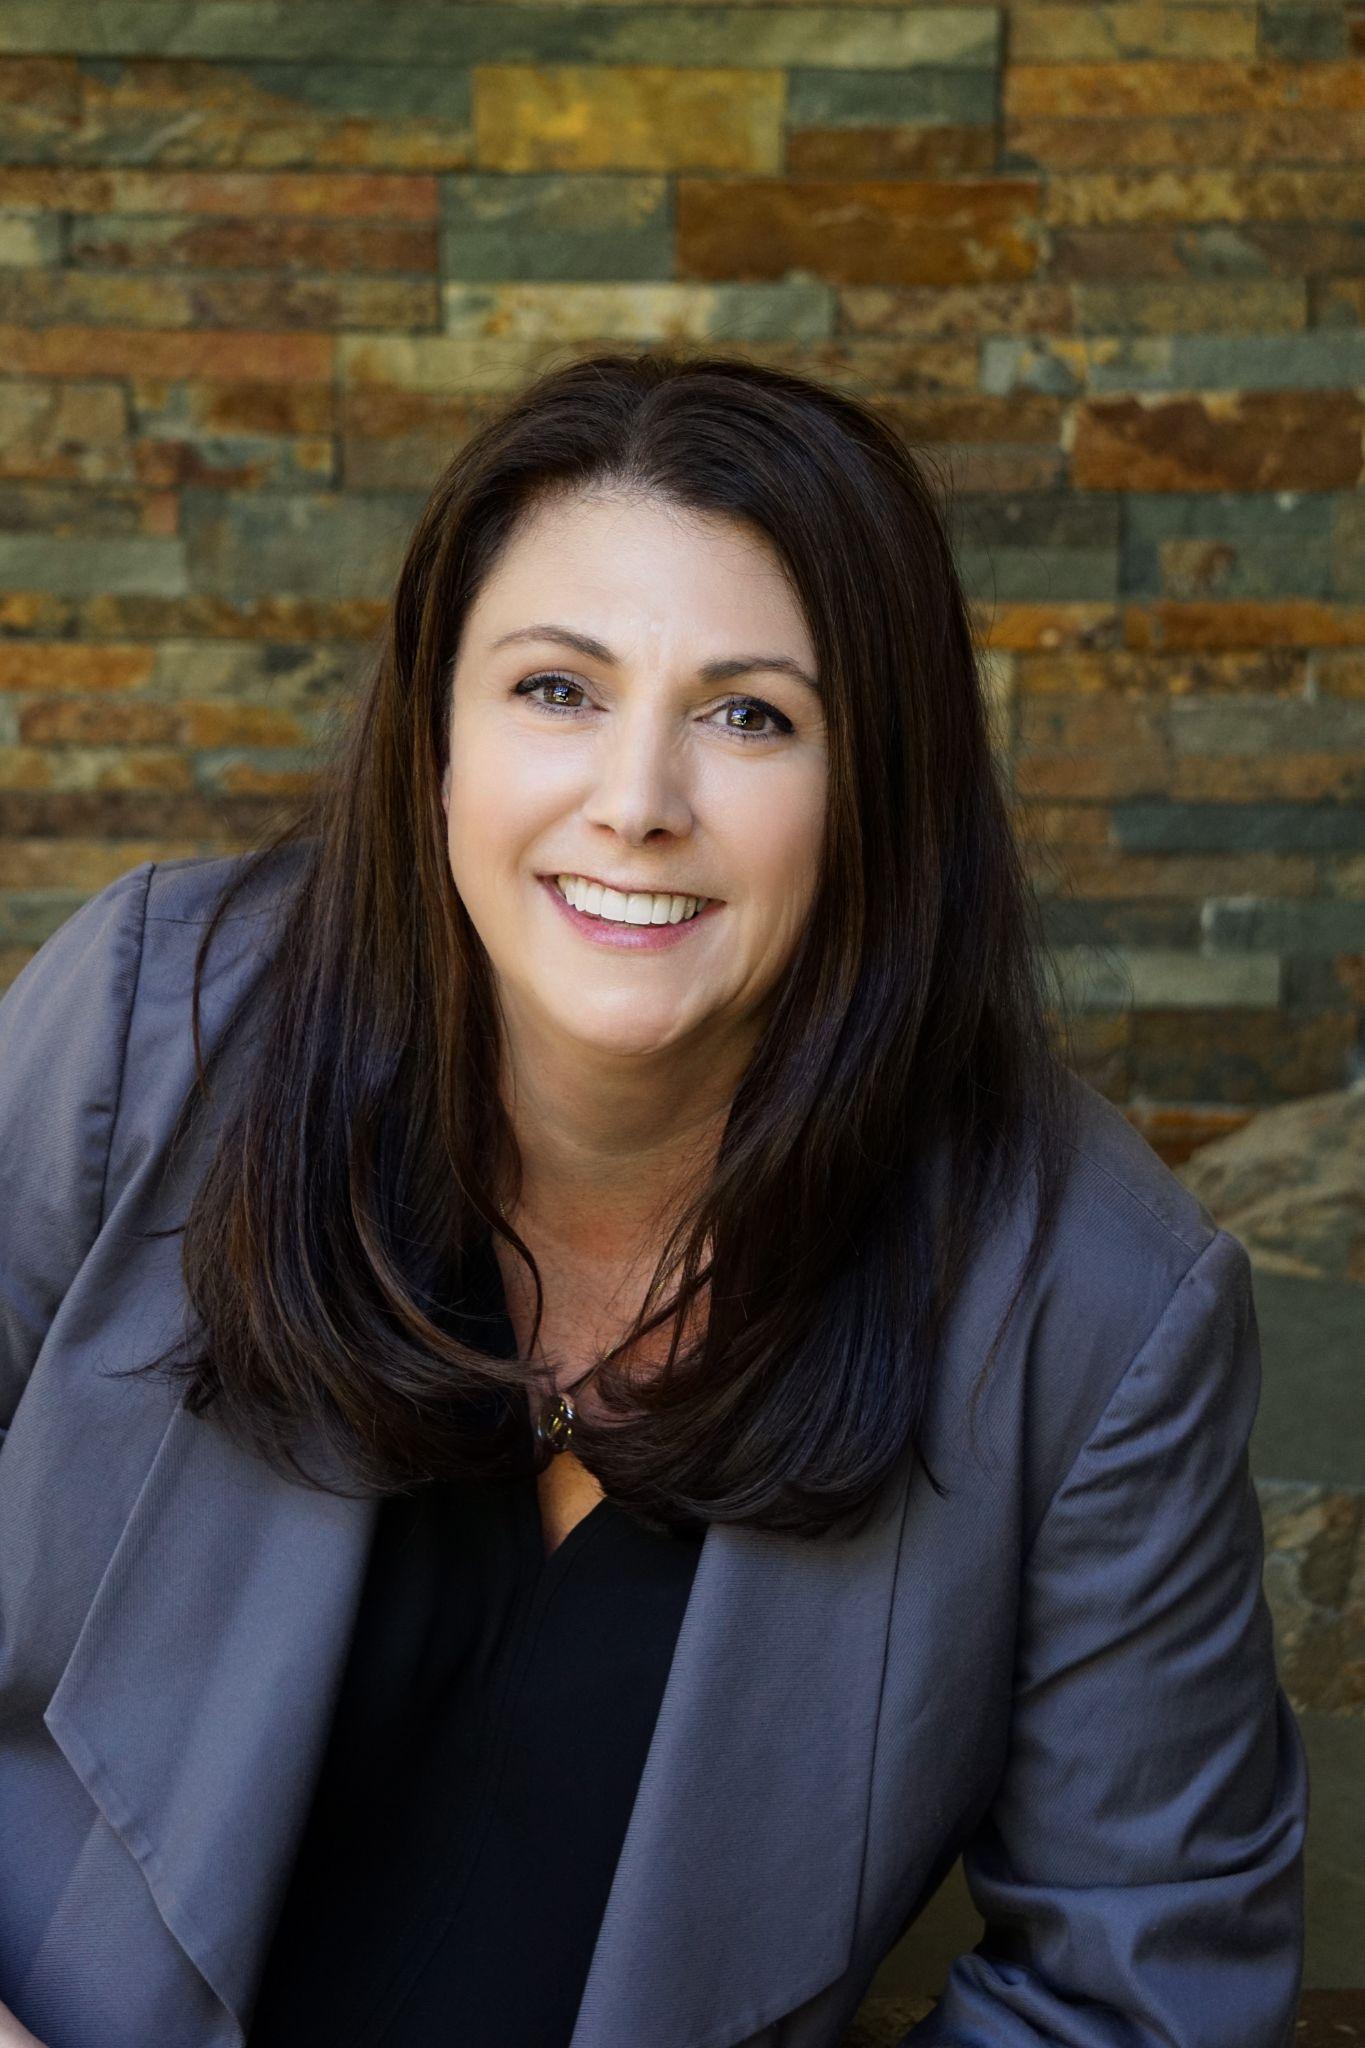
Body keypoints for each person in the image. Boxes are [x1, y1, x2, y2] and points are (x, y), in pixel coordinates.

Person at [0, 349, 1307, 2048]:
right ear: (436, 746)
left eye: (750, 714)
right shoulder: (144, 1033)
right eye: (556, 688)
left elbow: (1140, 1994)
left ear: (877, 799)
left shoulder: (1091, 1309)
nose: (636, 801)